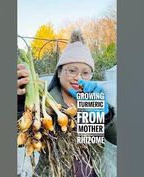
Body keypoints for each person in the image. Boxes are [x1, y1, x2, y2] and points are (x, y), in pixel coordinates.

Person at [17, 31, 117, 177]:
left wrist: (107, 116)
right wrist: (20, 104)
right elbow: (21, 139)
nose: (78, 78)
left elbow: (116, 139)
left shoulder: (95, 98)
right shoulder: (42, 105)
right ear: (58, 72)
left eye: (85, 73)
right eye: (72, 71)